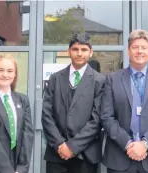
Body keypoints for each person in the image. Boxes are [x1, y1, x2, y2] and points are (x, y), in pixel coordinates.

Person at [100, 29, 148, 173]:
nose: (139, 51)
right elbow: (106, 117)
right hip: (120, 158)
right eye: (135, 47)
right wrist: (128, 144)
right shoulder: (112, 79)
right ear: (128, 50)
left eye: (144, 47)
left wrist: (145, 144)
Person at [41, 33, 106, 173]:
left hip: (86, 155)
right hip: (56, 154)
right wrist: (60, 144)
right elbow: (47, 115)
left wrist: (72, 147)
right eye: (75, 49)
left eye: (84, 50)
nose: (79, 53)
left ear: (91, 52)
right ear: (68, 51)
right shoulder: (55, 78)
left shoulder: (99, 81)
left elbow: (97, 120)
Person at [0, 54, 34, 173]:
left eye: (10, 71)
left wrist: (22, 168)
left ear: (15, 74)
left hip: (16, 168)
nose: (5, 74)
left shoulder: (23, 99)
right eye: (0, 70)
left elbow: (27, 135)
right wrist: (7, 170)